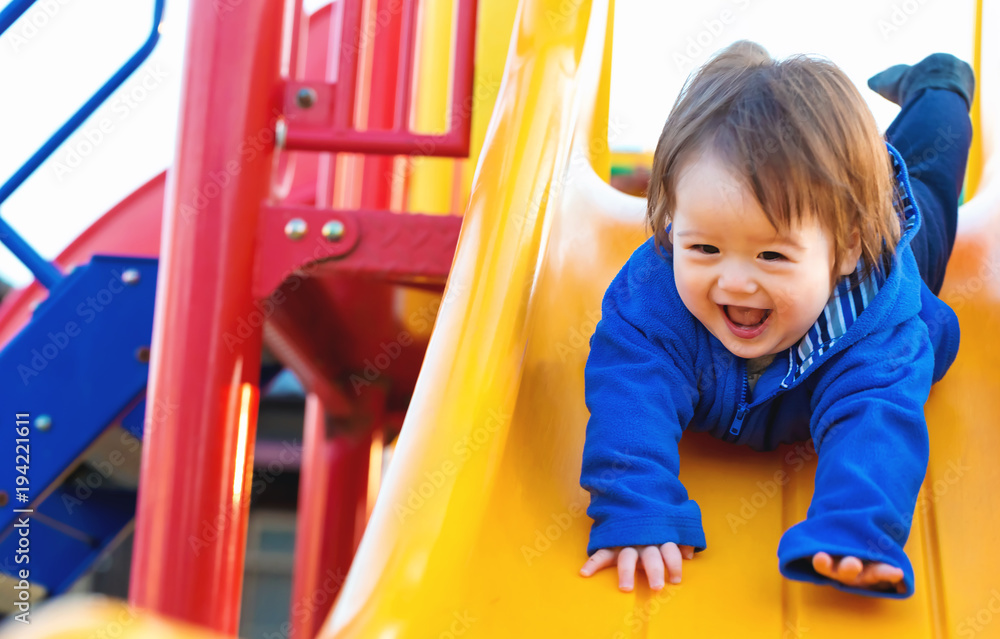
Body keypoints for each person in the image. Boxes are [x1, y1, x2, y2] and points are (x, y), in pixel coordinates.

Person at [577, 41, 974, 599]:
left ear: (845, 251)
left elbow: (876, 422)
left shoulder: (874, 328)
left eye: (771, 256)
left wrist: (856, 530)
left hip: (896, 240)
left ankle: (938, 86)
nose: (734, 281)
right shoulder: (654, 300)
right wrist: (635, 507)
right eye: (704, 248)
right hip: (830, 214)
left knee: (932, 176)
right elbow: (628, 392)